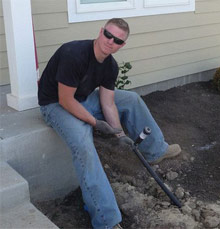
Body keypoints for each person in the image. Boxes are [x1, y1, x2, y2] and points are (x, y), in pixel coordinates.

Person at [38, 18, 181, 229]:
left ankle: (155, 150)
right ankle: (106, 220)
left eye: (117, 40)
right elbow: (65, 100)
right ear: (100, 31)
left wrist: (119, 134)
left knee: (131, 99)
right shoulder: (74, 54)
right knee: (83, 141)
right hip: (54, 105)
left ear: (122, 45)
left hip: (84, 99)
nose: (110, 41)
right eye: (108, 34)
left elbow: (108, 103)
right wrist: (95, 123)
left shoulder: (110, 66)